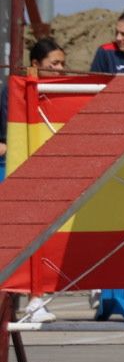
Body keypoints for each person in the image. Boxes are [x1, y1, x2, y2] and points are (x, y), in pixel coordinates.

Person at [4, 38, 69, 323]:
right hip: (16, 175)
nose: (60, 69)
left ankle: (35, 299)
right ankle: (31, 300)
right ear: (35, 65)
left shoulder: (66, 92)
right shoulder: (12, 93)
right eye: (53, 64)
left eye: (62, 63)